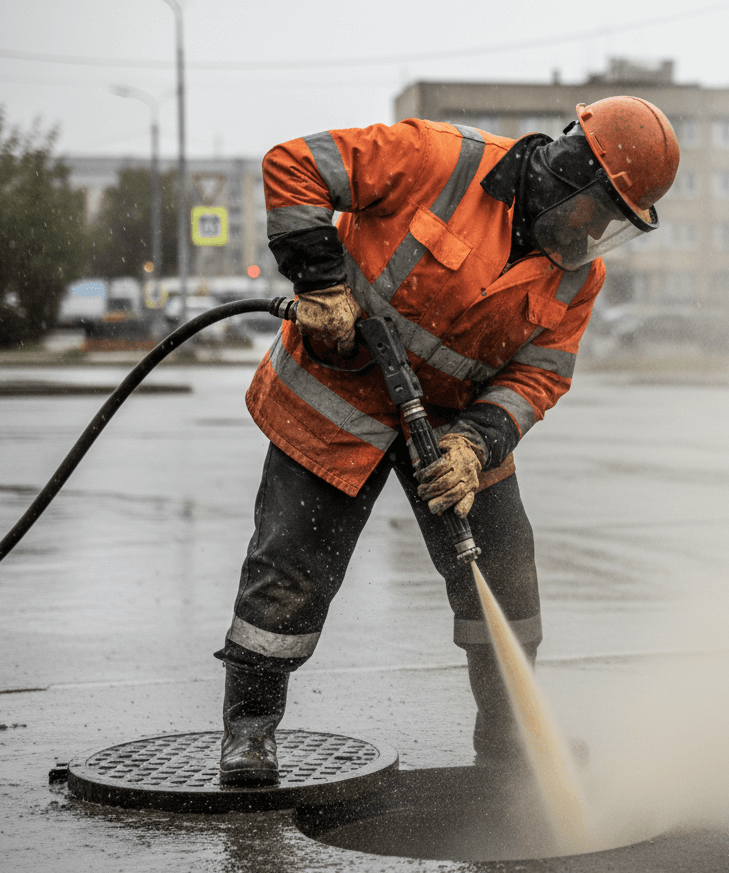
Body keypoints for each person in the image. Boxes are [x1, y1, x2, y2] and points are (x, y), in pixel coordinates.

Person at [217, 95, 680, 785]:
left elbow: (540, 375)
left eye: (618, 221)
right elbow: (294, 166)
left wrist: (475, 446)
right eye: (601, 206)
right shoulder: (439, 159)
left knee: (507, 577)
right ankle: (249, 735)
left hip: (450, 426)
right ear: (571, 168)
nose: (599, 228)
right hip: (339, 397)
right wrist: (320, 281)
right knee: (290, 568)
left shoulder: (579, 272)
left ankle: (510, 740)